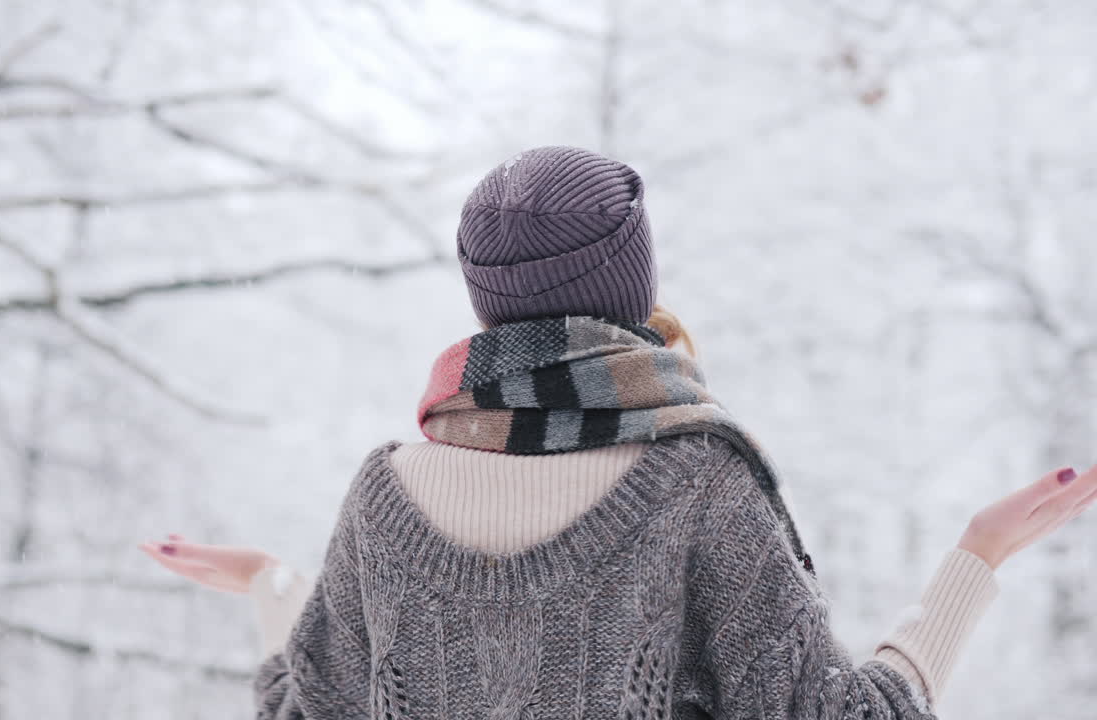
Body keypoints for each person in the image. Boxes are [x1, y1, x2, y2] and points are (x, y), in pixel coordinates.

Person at [140, 145, 1097, 718]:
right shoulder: (694, 483)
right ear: (633, 286)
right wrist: (978, 556)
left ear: (487, 301)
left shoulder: (385, 493)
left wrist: (274, 587)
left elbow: (311, 708)